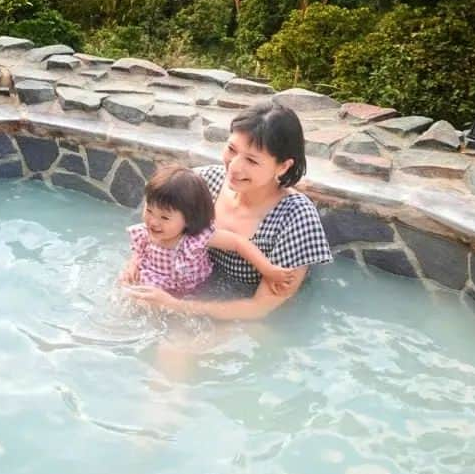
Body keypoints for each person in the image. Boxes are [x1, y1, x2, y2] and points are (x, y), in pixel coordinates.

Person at [127, 101, 332, 320]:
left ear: (283, 166)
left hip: (245, 315)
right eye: (232, 149)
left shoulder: (297, 218)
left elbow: (259, 309)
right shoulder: (203, 183)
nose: (233, 167)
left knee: (173, 348)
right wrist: (133, 268)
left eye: (251, 160)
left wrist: (175, 305)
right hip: (190, 291)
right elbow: (157, 232)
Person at [120, 163, 295, 299]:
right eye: (149, 210)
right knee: (123, 287)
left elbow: (238, 243)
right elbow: (139, 252)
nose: (153, 222)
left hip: (189, 294)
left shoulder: (195, 239)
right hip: (153, 281)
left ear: (188, 218)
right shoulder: (146, 232)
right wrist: (133, 265)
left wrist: (268, 270)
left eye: (164, 218)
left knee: (144, 303)